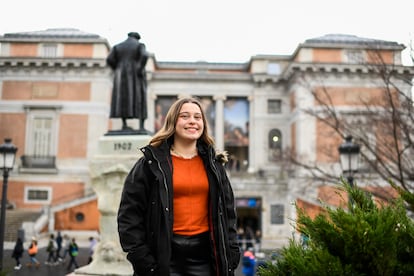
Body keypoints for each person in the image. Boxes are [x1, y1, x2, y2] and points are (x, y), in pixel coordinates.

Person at [118, 97, 241, 276]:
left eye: (198, 117)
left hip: (207, 258)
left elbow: (229, 212)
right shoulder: (151, 164)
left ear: (203, 125)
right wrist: (142, 259)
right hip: (163, 259)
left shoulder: (214, 165)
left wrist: (231, 252)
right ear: (173, 122)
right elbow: (129, 215)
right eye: (185, 116)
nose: (192, 121)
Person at [106, 32, 148, 132]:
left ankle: (124, 124)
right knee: (139, 97)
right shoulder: (139, 45)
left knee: (122, 99)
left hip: (120, 74)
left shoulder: (117, 47)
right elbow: (145, 55)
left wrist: (117, 68)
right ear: (137, 38)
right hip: (135, 74)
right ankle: (141, 126)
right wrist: (139, 67)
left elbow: (109, 59)